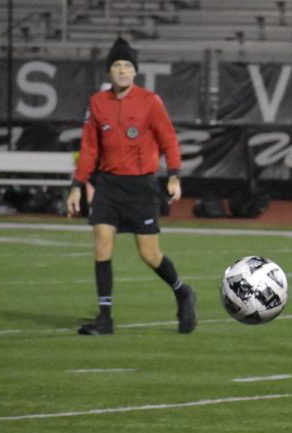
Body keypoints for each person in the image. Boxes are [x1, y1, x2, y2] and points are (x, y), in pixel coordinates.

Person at [66, 37, 196, 336]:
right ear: (109, 72)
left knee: (149, 254)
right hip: (109, 185)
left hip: (141, 187)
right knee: (102, 241)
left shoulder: (151, 102)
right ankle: (105, 318)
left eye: (127, 65)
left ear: (135, 71)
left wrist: (174, 175)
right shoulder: (97, 104)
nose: (122, 70)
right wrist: (77, 185)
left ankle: (182, 292)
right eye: (116, 65)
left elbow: (169, 141)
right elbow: (88, 150)